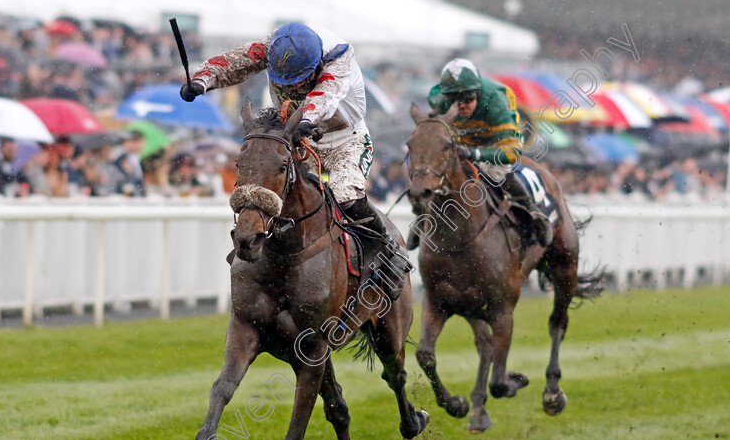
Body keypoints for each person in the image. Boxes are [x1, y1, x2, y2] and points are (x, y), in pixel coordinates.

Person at [180, 22, 411, 299]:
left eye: (301, 78)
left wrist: (307, 119)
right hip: (302, 139)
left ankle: (387, 250)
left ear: (316, 64)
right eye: (287, 81)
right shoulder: (274, 48)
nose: (296, 86)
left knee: (345, 194)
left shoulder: (339, 57)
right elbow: (235, 62)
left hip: (346, 140)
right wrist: (202, 80)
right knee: (283, 195)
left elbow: (325, 95)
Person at [424, 58, 553, 247]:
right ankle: (424, 220)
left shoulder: (496, 100)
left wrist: (475, 154)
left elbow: (511, 152)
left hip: (498, 140)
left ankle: (532, 211)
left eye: (468, 98)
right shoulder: (439, 101)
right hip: (463, 139)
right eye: (455, 99)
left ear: (478, 93)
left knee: (497, 172)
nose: (462, 105)